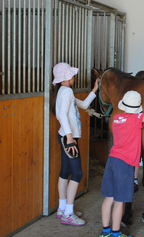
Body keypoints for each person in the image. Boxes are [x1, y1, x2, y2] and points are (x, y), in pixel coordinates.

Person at [99, 82, 144, 237]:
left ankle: (105, 232)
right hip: (125, 164)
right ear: (138, 107)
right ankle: (116, 235)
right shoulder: (136, 119)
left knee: (108, 199)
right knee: (119, 201)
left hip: (112, 160)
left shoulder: (116, 118)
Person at [51, 62, 99, 226]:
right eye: (71, 74)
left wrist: (94, 89)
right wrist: (70, 138)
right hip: (68, 138)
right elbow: (63, 115)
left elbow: (84, 105)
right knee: (77, 174)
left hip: (65, 136)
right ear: (65, 77)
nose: (73, 77)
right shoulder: (67, 92)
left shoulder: (64, 92)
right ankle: (68, 214)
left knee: (65, 172)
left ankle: (62, 208)